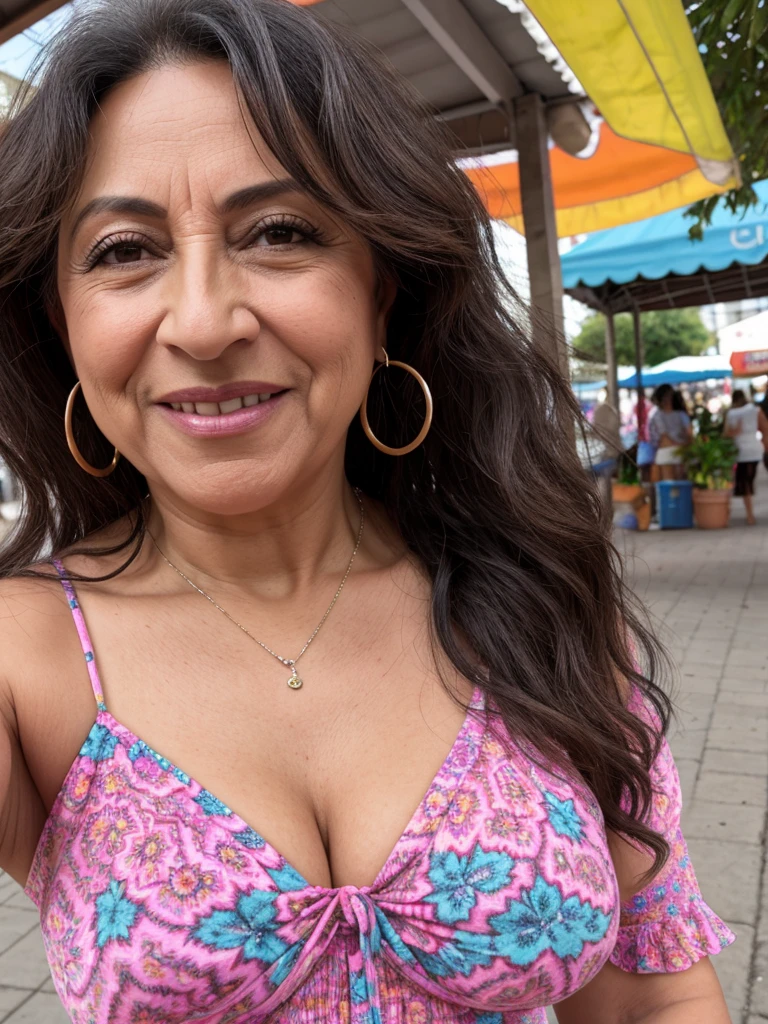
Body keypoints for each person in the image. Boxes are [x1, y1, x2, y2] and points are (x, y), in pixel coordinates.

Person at [0, 2, 733, 1022]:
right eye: (125, 250)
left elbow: (654, 1001)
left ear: (381, 287)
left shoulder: (534, 593)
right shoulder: (23, 658)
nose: (206, 322)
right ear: (61, 317)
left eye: (281, 232)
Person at [725, 389, 763, 525]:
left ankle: (749, 515)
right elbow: (765, 427)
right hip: (754, 450)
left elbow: (726, 433)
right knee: (748, 481)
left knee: (744, 482)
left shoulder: (732, 413)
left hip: (740, 451)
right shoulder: (755, 410)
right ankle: (749, 515)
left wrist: (736, 431)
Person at [649, 384, 693, 481]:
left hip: (667, 453)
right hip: (682, 452)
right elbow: (690, 435)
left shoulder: (657, 416)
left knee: (669, 488)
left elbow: (663, 437)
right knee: (682, 486)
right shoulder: (682, 415)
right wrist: (682, 445)